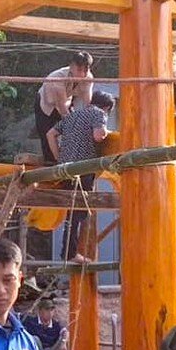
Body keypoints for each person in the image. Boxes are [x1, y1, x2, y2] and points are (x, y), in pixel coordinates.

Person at [51, 90, 113, 260]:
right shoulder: (99, 114)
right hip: (83, 169)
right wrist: (106, 132)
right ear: (107, 107)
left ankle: (68, 252)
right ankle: (70, 254)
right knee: (78, 213)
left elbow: (51, 134)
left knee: (72, 213)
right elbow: (98, 136)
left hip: (66, 169)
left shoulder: (73, 115)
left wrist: (58, 157)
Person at [34, 51, 93, 164]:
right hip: (47, 103)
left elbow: (87, 102)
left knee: (75, 128)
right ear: (72, 67)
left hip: (67, 102)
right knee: (48, 133)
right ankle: (53, 162)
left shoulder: (89, 78)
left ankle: (70, 157)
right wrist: (73, 124)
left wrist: (87, 121)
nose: (83, 74)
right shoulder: (57, 77)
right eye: (80, 70)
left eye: (86, 70)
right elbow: (61, 107)